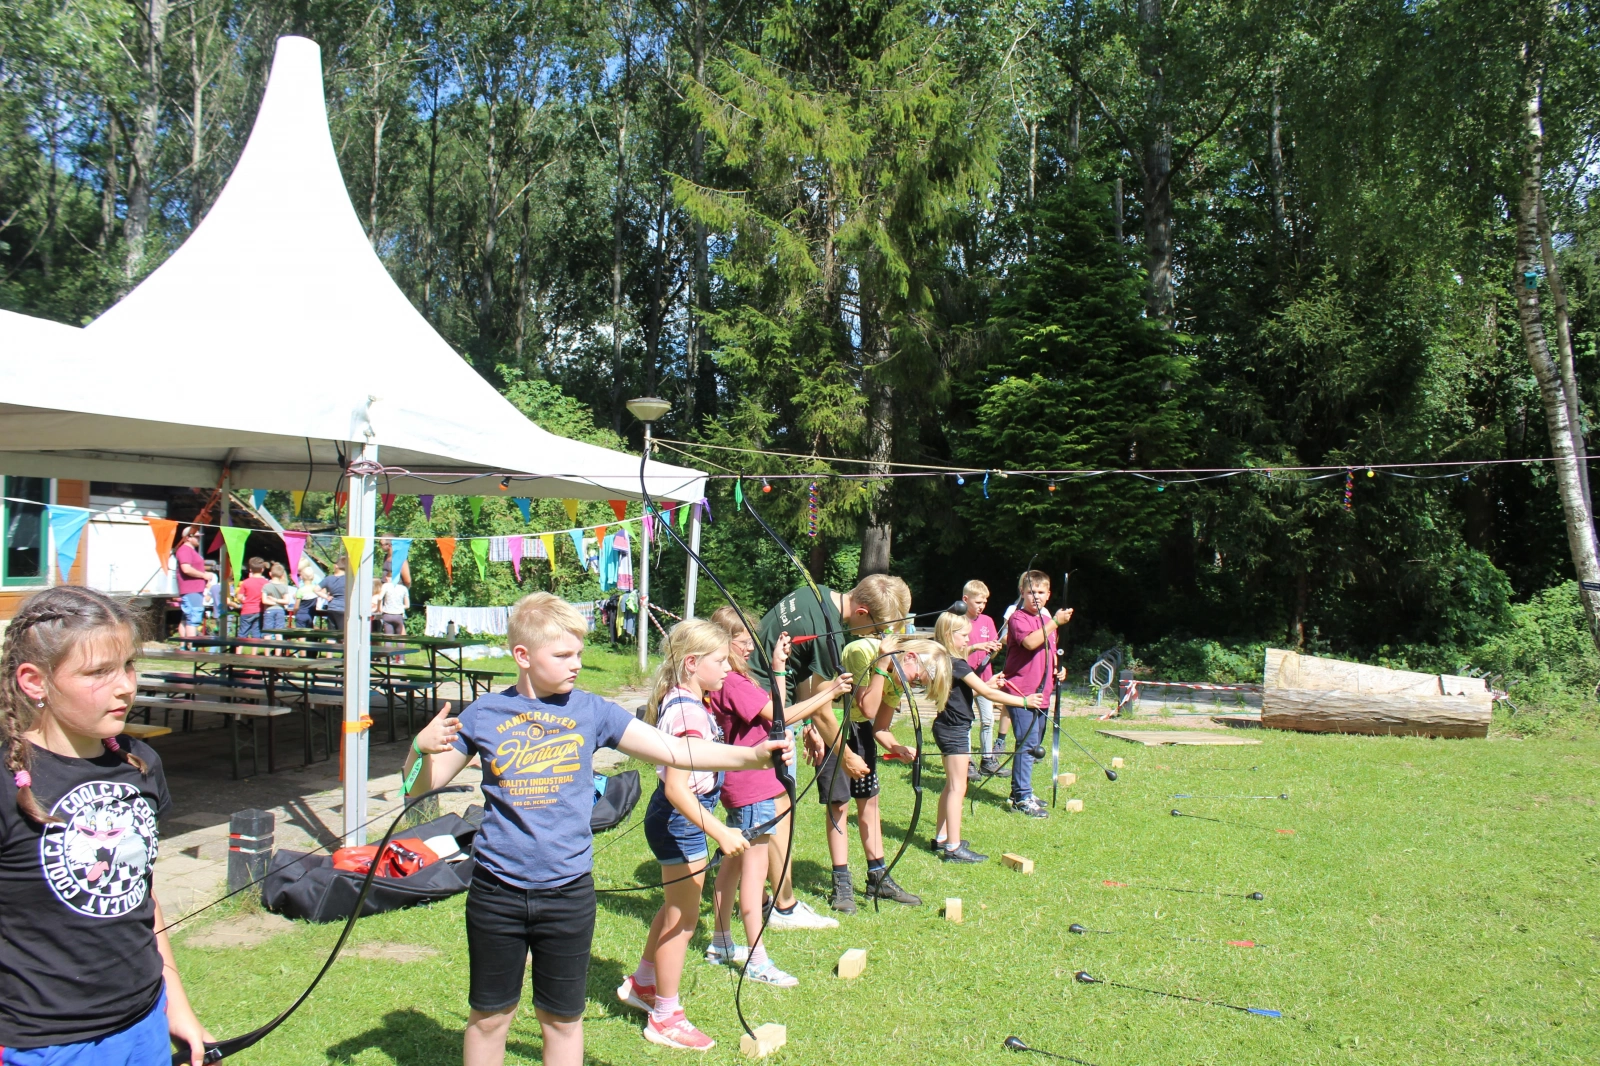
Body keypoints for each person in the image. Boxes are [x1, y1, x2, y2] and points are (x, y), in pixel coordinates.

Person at [400, 593, 792, 1066]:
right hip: (496, 893)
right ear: (522, 656)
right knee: (490, 1017)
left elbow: (674, 751)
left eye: (580, 654)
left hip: (568, 894)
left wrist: (750, 755)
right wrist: (420, 751)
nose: (576, 665)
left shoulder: (592, 710)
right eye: (563, 655)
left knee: (563, 1020)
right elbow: (420, 792)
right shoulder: (484, 714)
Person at [0, 586, 212, 1065]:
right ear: (35, 681)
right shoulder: (7, 781)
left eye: (128, 666)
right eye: (98, 672)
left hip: (144, 1021)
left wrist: (174, 1000)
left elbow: (141, 892)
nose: (125, 686)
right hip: (42, 1044)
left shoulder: (140, 762)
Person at [620, 620, 769, 1050]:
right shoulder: (687, 712)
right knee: (684, 919)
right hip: (682, 819)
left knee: (675, 908)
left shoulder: (687, 700)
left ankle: (644, 982)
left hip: (682, 819)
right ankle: (665, 1016)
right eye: (720, 660)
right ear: (691, 663)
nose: (728, 668)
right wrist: (721, 831)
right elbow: (676, 789)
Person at [748, 574, 909, 911]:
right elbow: (824, 707)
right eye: (878, 628)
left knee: (775, 803)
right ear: (863, 611)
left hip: (772, 698)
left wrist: (805, 721)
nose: (877, 637)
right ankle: (780, 904)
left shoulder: (816, 595)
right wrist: (846, 755)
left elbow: (803, 669)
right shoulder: (829, 630)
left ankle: (771, 897)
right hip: (761, 704)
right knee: (775, 804)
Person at [706, 606, 848, 941]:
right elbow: (781, 715)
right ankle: (764, 922)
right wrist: (829, 693)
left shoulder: (738, 680)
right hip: (751, 786)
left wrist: (779, 668)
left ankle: (735, 930)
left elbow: (774, 713)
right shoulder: (735, 684)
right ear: (723, 644)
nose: (750, 647)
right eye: (743, 642)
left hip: (757, 782)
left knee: (738, 865)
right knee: (748, 868)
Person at [818, 630, 950, 913]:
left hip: (861, 732)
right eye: (916, 680)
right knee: (839, 804)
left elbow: (878, 726)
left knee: (870, 802)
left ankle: (878, 876)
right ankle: (841, 881)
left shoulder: (899, 673)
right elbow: (867, 707)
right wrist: (880, 665)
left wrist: (897, 746)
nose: (911, 686)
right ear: (911, 657)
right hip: (835, 728)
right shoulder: (863, 652)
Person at [930, 608, 1044, 861]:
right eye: (964, 636)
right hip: (954, 730)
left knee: (951, 785)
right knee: (959, 787)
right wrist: (1023, 701)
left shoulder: (947, 661)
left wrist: (987, 685)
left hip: (947, 726)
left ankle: (941, 839)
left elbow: (966, 695)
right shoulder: (957, 663)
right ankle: (953, 847)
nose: (969, 640)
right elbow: (990, 696)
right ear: (949, 636)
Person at [999, 571, 1072, 818]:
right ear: (1022, 593)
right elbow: (1030, 643)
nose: (1036, 597)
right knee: (1027, 742)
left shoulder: (1048, 621)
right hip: (1021, 691)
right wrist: (1055, 622)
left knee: (1034, 742)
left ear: (1049, 594)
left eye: (1041, 592)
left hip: (1043, 692)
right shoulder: (1018, 618)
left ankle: (1019, 791)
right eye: (1031, 592)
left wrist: (1059, 668)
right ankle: (1022, 796)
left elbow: (1049, 650)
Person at [960, 580, 1006, 779]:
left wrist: (993, 650)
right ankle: (967, 762)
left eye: (984, 602)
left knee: (988, 720)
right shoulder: (958, 622)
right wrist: (974, 648)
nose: (982, 606)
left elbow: (991, 651)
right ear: (965, 600)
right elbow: (953, 652)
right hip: (965, 679)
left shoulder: (987, 621)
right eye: (978, 602)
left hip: (985, 678)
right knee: (967, 721)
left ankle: (987, 760)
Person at [173, 527, 208, 641]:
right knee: (193, 617)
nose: (199, 539)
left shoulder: (190, 551)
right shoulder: (184, 550)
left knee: (186, 618)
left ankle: (184, 647)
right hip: (191, 589)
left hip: (193, 589)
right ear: (187, 538)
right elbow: (186, 569)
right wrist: (203, 575)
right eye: (196, 536)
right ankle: (191, 647)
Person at [233, 557, 268, 641]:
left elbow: (239, 597)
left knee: (242, 633)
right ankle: (254, 653)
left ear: (250, 569)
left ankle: (238, 652)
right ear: (262, 569)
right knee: (256, 634)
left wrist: (244, 601)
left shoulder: (246, 582)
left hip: (247, 610)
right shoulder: (266, 583)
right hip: (259, 610)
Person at [261, 562, 293, 646]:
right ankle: (278, 654)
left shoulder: (266, 586)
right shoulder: (284, 587)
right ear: (282, 575)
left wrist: (273, 601)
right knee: (279, 632)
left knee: (267, 632)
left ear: (270, 573)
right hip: (280, 610)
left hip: (269, 610)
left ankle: (267, 653)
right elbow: (286, 601)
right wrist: (277, 601)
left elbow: (264, 601)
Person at [317, 557, 348, 631]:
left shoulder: (329, 578)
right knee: (343, 635)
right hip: (344, 608)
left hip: (332, 608)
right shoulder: (349, 579)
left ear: (336, 566)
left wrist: (326, 597)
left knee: (331, 634)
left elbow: (315, 589)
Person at [293, 558, 321, 629]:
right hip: (304, 606)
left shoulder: (316, 579)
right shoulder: (300, 580)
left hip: (309, 609)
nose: (299, 574)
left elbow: (320, 592)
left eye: (300, 571)